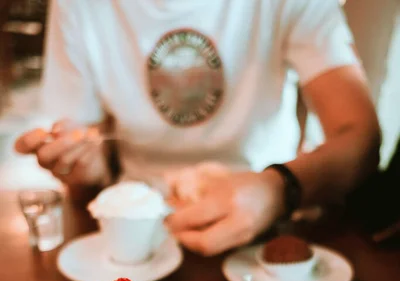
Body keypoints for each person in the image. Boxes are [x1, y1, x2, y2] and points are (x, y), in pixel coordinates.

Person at [15, 0, 380, 256]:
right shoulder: (79, 6)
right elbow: (86, 162)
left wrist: (277, 190)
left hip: (270, 230)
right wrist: (83, 167)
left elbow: (360, 138)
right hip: (138, 232)